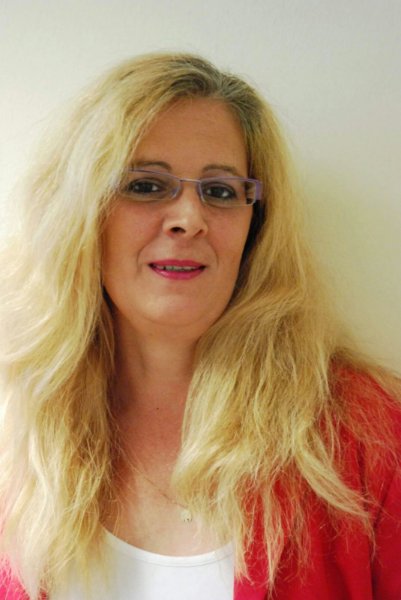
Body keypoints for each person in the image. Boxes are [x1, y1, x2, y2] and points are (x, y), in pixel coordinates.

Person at [0, 52, 400, 600]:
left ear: (256, 226)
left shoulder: (365, 437)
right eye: (145, 185)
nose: (189, 219)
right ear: (80, 212)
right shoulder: (16, 426)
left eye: (220, 191)